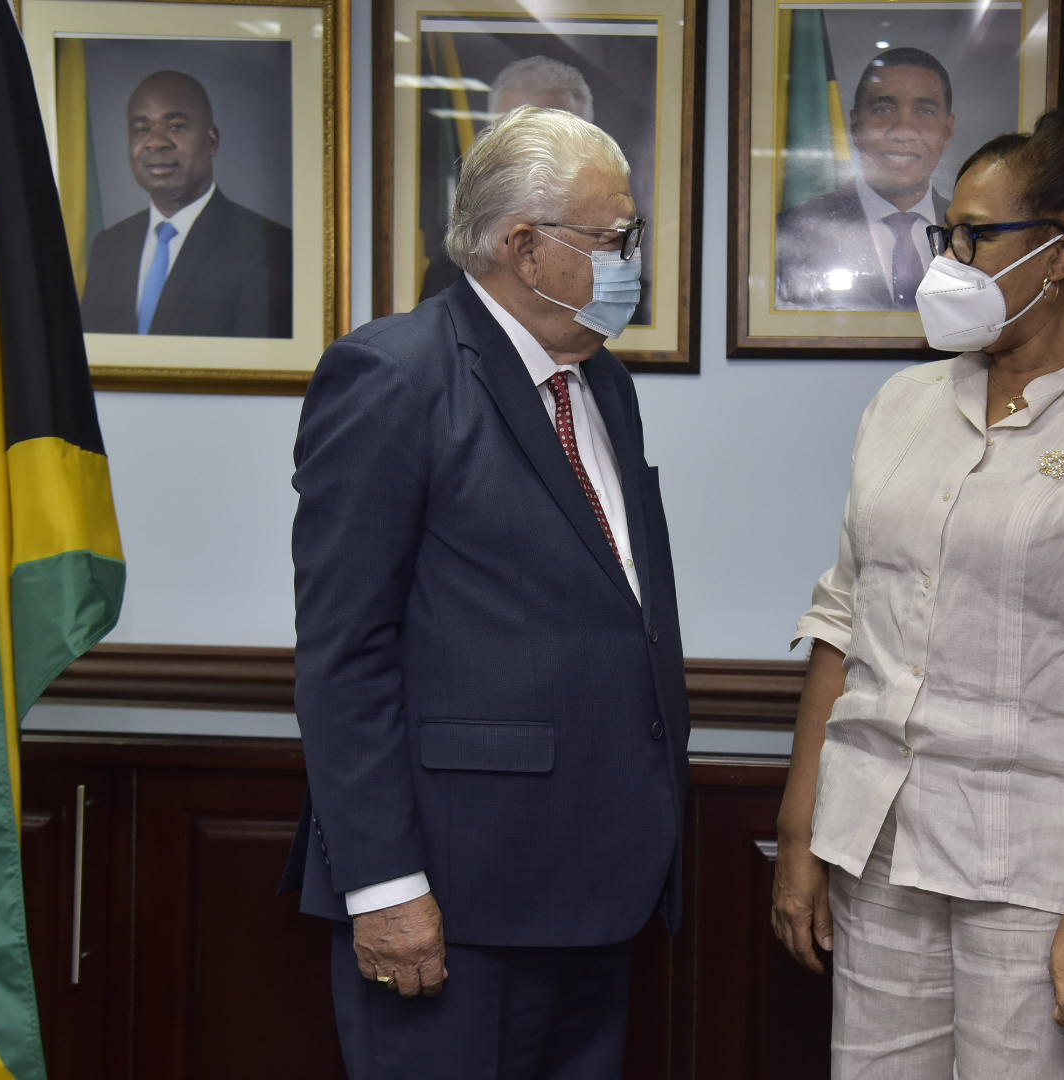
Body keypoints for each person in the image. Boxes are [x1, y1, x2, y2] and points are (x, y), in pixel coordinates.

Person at [771, 111, 1064, 1078]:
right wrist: (800, 836)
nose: (951, 259)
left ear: (1061, 254)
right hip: (880, 848)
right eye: (950, 236)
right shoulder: (901, 405)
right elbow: (842, 620)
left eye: (975, 236)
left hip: (1040, 873)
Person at [286, 106, 689, 1079]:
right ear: (526, 246)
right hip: (454, 900)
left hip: (601, 889)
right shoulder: (393, 377)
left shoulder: (602, 382)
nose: (632, 259)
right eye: (613, 237)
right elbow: (346, 654)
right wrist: (383, 885)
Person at [419, 55, 651, 325]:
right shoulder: (444, 280)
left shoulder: (616, 277)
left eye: (554, 136)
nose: (533, 156)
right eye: (513, 138)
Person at [79, 70, 292, 337]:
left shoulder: (270, 247)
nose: (155, 142)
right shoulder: (108, 246)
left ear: (211, 140)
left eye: (176, 126)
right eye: (141, 129)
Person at [775, 47, 955, 311]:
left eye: (924, 112)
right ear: (855, 125)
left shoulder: (976, 236)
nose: (903, 131)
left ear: (948, 130)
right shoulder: (790, 232)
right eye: (883, 109)